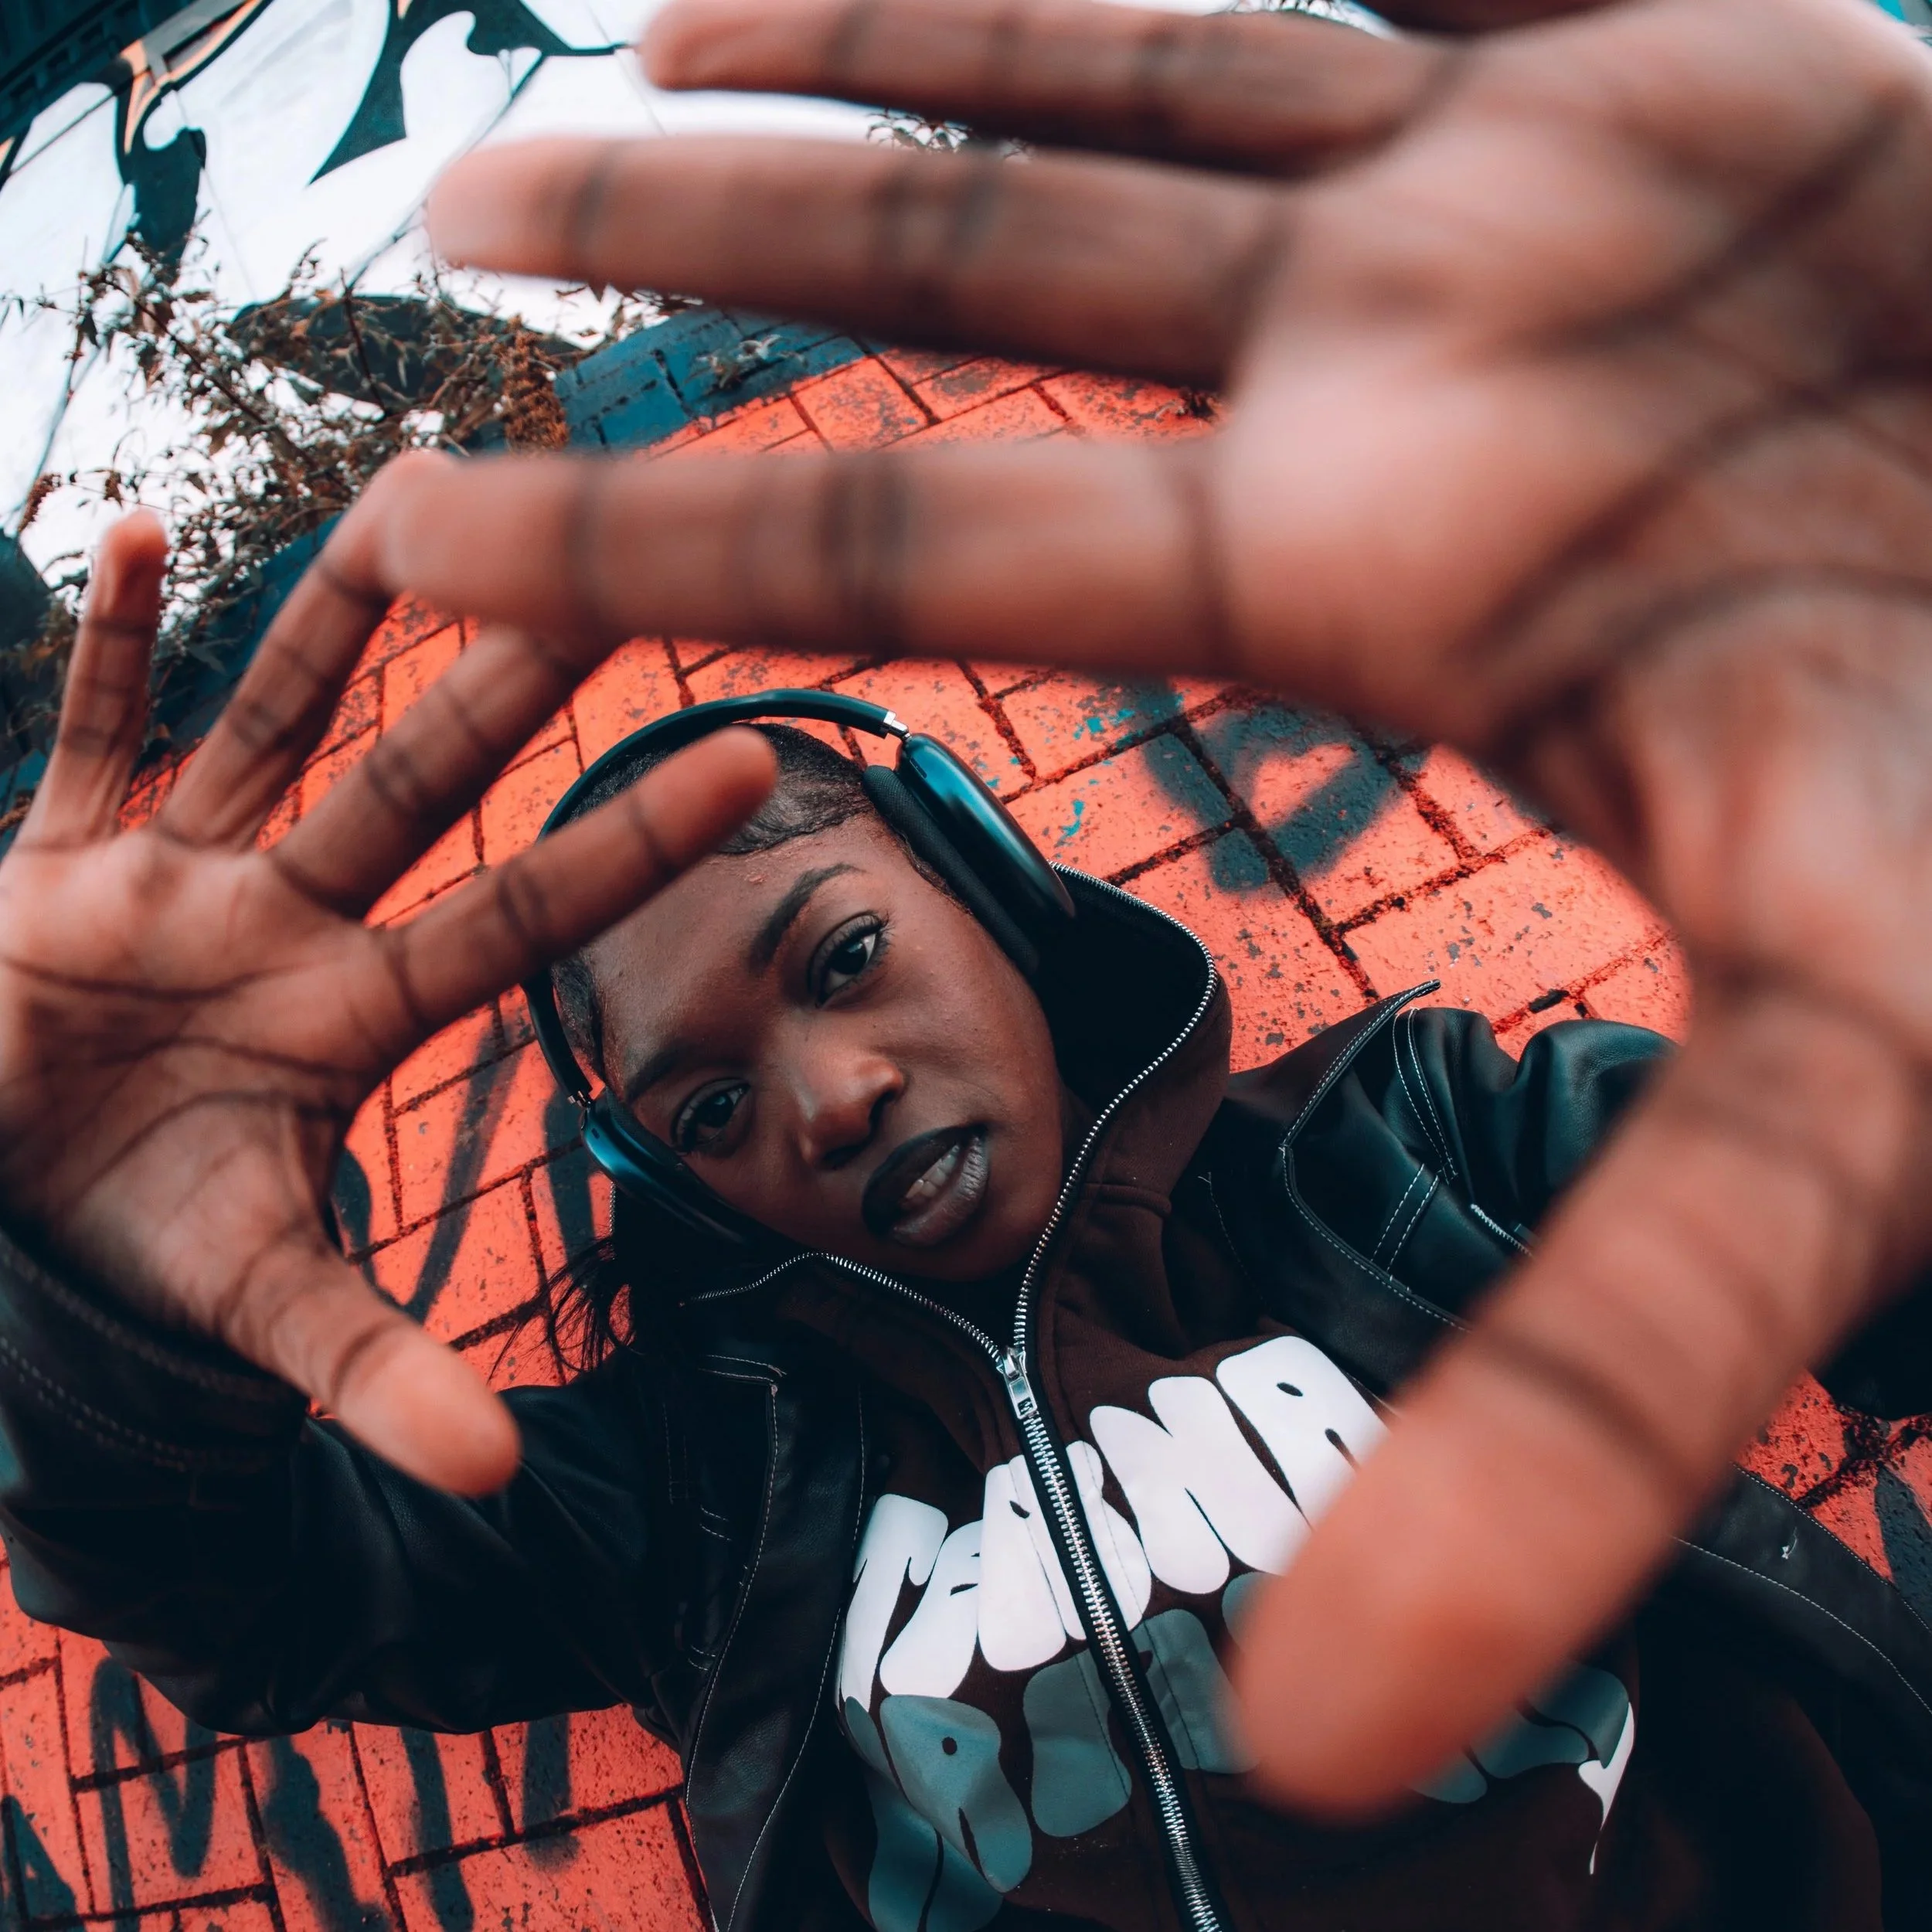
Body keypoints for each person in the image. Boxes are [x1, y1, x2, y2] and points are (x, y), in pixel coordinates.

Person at [2, 0, 1931, 1907]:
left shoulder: (1422, 1147)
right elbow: (248, 1605)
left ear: (999, 903)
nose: (828, 1097)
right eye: (710, 1101)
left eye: (841, 956)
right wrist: (100, 1288)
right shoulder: (692, 1483)